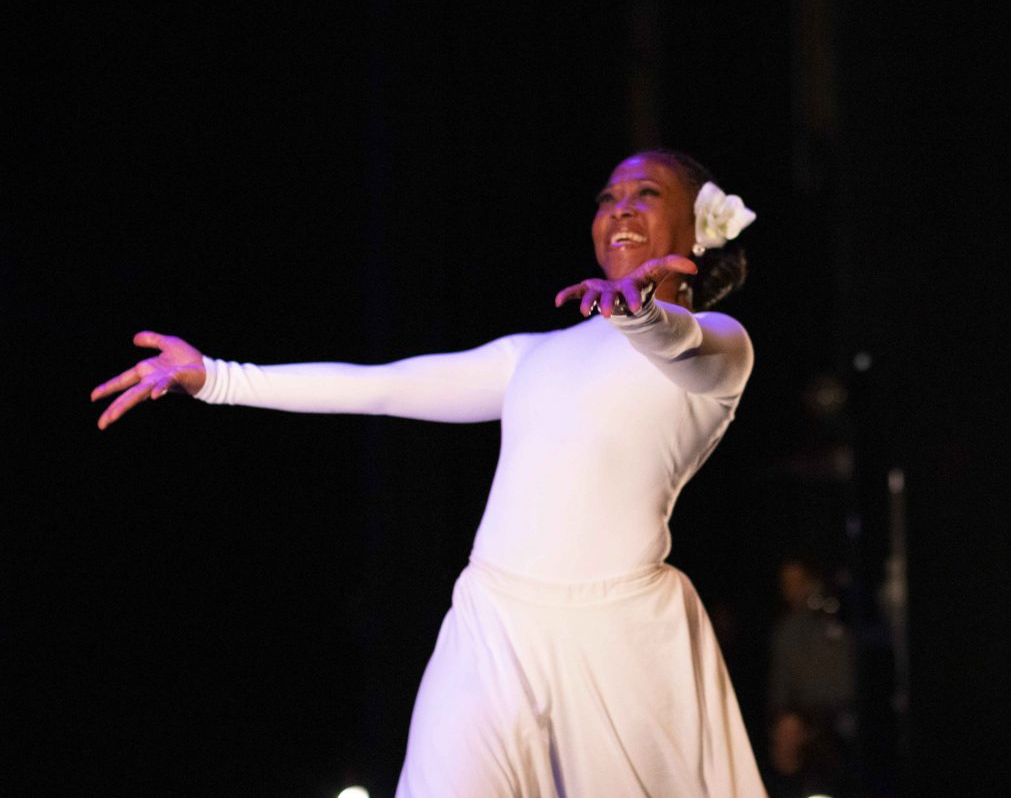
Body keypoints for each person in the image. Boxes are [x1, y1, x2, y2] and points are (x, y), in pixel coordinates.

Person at [92, 149, 763, 796]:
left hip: (617, 634)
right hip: (493, 622)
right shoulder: (530, 356)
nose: (620, 209)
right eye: (609, 197)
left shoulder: (723, 342)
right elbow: (380, 387)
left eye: (645, 195)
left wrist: (639, 314)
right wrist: (217, 379)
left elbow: (684, 347)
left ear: (699, 232)